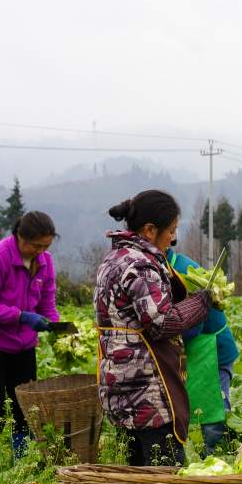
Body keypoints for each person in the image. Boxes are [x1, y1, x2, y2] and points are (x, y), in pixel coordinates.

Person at [94, 190, 213, 466]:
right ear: (149, 230)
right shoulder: (140, 265)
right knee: (166, 479)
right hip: (146, 391)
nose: (174, 238)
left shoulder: (114, 259)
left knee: (137, 480)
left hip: (120, 385)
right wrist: (203, 302)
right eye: (171, 231)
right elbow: (162, 323)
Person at [0, 211, 60, 471]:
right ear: (19, 237)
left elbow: (47, 301)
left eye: (46, 246)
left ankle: (22, 465)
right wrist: (22, 317)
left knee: (25, 407)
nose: (40, 251)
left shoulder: (45, 262)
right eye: (36, 245)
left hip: (22, 345)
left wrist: (54, 324)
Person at [166, 246, 239, 456]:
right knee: (195, 405)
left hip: (212, 350)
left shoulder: (182, 269)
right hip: (196, 350)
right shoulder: (166, 266)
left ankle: (218, 459)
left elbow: (191, 322)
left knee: (213, 410)